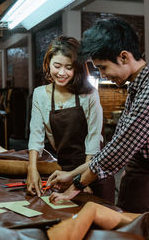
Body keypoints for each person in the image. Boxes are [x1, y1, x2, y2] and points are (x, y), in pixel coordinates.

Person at [48, 18, 149, 223]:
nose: (103, 76)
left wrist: (73, 187)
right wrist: (71, 174)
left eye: (103, 68)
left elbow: (118, 151)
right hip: (137, 181)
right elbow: (115, 145)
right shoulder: (138, 86)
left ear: (123, 57)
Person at [27, 36, 114, 202]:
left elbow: (94, 138)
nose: (61, 73)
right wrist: (32, 170)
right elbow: (36, 136)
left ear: (77, 68)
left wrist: (83, 181)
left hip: (94, 171)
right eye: (57, 66)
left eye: (68, 67)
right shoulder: (40, 94)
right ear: (48, 64)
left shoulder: (89, 94)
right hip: (64, 171)